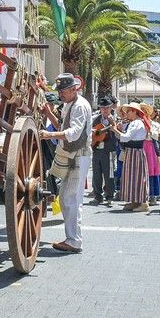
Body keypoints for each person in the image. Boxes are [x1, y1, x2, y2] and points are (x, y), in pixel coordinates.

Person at [40, 74, 92, 253]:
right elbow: (63, 128)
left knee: (71, 198)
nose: (60, 94)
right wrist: (48, 114)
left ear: (73, 89)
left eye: (63, 91)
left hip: (78, 154)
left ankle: (74, 240)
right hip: (72, 153)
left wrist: (49, 135)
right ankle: (73, 239)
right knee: (68, 198)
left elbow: (74, 133)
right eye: (59, 91)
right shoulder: (70, 104)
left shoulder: (79, 106)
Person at [117, 104, 150, 212]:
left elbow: (125, 138)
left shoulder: (136, 123)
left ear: (135, 112)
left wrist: (114, 130)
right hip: (133, 152)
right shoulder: (136, 122)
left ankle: (142, 202)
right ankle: (134, 200)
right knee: (132, 177)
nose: (127, 113)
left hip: (134, 152)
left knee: (137, 177)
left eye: (129, 111)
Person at [89, 95, 118, 207]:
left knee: (109, 174)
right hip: (96, 149)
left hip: (109, 150)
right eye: (102, 108)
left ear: (111, 107)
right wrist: (93, 132)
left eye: (107, 108)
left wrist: (113, 126)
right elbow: (90, 131)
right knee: (96, 174)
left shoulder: (115, 119)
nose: (105, 110)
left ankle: (109, 196)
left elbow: (117, 133)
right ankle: (97, 196)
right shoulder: (94, 119)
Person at [140, 103, 160, 203]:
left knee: (151, 170)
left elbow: (156, 136)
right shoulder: (138, 123)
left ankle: (153, 195)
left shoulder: (154, 124)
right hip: (140, 146)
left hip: (150, 147)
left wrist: (149, 129)